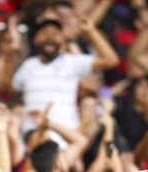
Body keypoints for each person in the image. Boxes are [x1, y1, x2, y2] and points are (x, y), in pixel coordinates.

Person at [7, 18, 119, 146]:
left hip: (66, 139)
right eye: (44, 33)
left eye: (55, 34)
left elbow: (111, 60)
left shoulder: (72, 62)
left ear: (63, 39)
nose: (50, 37)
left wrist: (91, 32)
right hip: (31, 139)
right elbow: (10, 90)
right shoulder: (28, 65)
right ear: (36, 39)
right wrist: (10, 56)